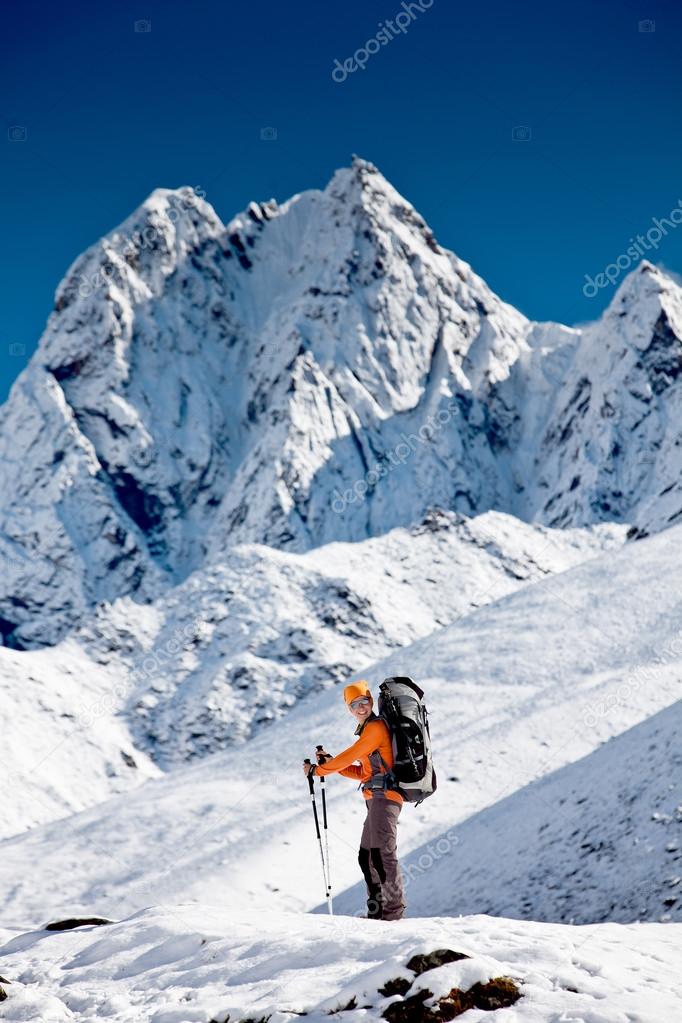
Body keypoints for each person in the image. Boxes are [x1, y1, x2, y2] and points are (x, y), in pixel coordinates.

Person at [302, 679, 406, 920]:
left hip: (385, 797)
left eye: (365, 701)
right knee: (367, 855)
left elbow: (350, 755)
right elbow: (362, 771)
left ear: (371, 701)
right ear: (349, 709)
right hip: (375, 797)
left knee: (383, 854)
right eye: (355, 704)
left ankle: (392, 913)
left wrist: (318, 771)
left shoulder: (375, 728)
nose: (361, 707)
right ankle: (377, 911)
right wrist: (330, 765)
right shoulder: (367, 731)